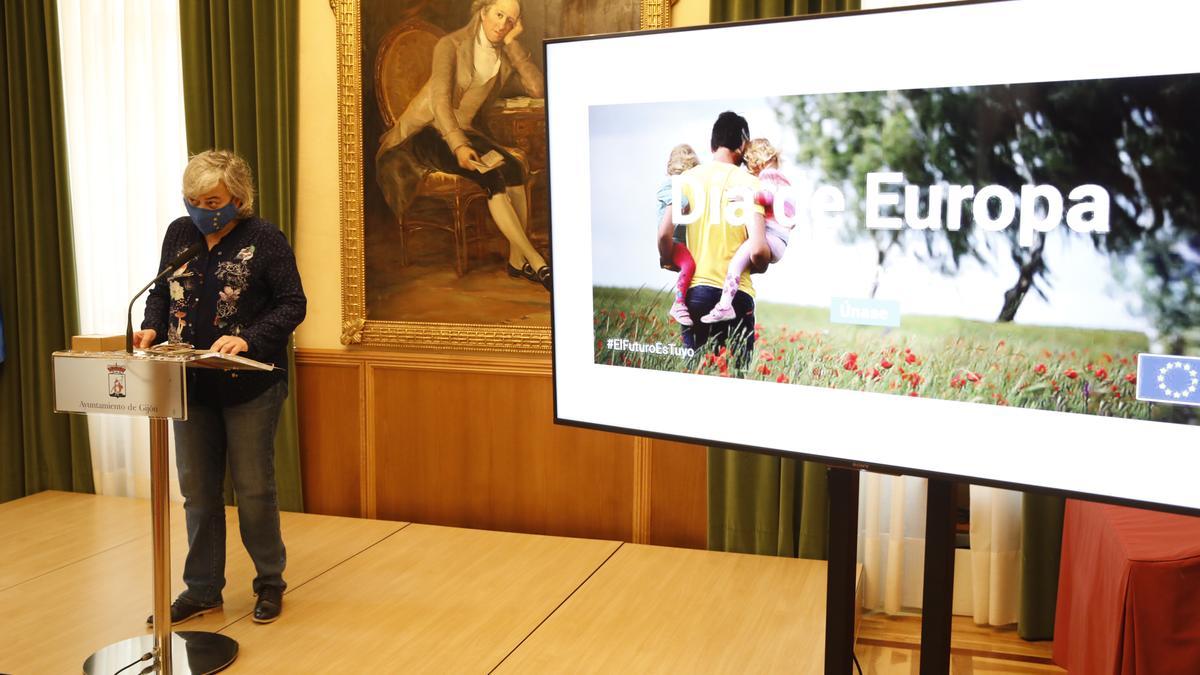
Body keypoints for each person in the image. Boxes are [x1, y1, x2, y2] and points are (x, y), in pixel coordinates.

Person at [135, 149, 307, 626]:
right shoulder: (179, 233)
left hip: (248, 383)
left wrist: (248, 336)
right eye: (192, 199)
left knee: (253, 490)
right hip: (188, 383)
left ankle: (269, 582)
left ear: (238, 196)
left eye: (212, 199)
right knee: (198, 493)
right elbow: (159, 293)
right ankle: (202, 590)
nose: (201, 209)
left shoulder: (264, 238)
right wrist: (151, 327)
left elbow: (293, 305)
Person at [375, 0, 550, 290]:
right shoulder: (450, 45)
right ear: (483, 12)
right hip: (427, 131)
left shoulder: (503, 51)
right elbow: (441, 103)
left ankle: (517, 262)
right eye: (498, 14)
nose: (502, 24)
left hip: (463, 130)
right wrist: (458, 146)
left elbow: (537, 88)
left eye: (510, 20)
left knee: (515, 169)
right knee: (491, 176)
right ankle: (537, 262)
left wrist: (513, 44)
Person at [658, 112, 770, 369]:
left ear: (712, 144)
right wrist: (763, 262)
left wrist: (668, 258)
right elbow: (758, 252)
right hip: (737, 297)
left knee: (696, 375)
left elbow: (664, 234)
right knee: (735, 377)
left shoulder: (687, 180)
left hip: (695, 294)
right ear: (743, 144)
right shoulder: (752, 184)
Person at [699, 137, 794, 324]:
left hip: (770, 237)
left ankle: (725, 306)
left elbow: (766, 196)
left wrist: (744, 195)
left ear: (756, 161)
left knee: (734, 264)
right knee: (742, 264)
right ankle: (727, 302)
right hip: (780, 241)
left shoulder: (769, 176)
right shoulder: (786, 182)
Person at [655, 144, 699, 325]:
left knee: (690, 265)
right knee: (689, 264)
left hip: (679, 241)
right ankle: (678, 303)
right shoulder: (670, 186)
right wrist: (665, 256)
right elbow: (678, 201)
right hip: (673, 242)